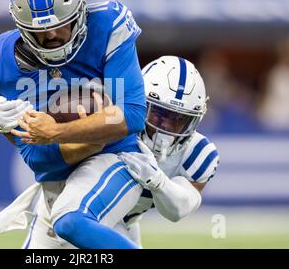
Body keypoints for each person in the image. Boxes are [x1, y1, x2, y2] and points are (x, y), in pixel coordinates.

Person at [0, 0, 146, 248]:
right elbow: (38, 160)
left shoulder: (109, 25)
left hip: (117, 161)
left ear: (81, 10)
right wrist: (11, 130)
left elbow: (131, 115)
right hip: (57, 184)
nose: (53, 35)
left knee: (71, 220)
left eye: (62, 23)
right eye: (40, 30)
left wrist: (56, 132)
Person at [16, 56, 220, 248]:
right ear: (141, 103)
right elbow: (48, 152)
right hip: (63, 213)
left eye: (178, 120)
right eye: (158, 114)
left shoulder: (197, 152)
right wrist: (14, 123)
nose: (165, 127)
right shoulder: (111, 117)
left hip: (123, 224)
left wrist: (157, 181)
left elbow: (180, 209)